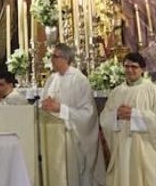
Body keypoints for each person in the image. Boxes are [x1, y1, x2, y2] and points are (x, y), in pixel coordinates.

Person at [99, 53, 156, 186]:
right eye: (126, 66)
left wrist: (135, 115)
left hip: (145, 149)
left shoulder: (153, 90)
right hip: (122, 148)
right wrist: (116, 115)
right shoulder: (116, 92)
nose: (129, 70)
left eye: (134, 67)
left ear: (142, 69)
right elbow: (104, 119)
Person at [39, 44, 106, 186]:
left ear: (66, 58)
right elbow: (42, 102)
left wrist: (60, 108)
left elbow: (88, 114)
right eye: (52, 56)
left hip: (72, 136)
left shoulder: (79, 80)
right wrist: (44, 105)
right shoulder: (51, 79)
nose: (51, 59)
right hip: (53, 137)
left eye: (55, 56)